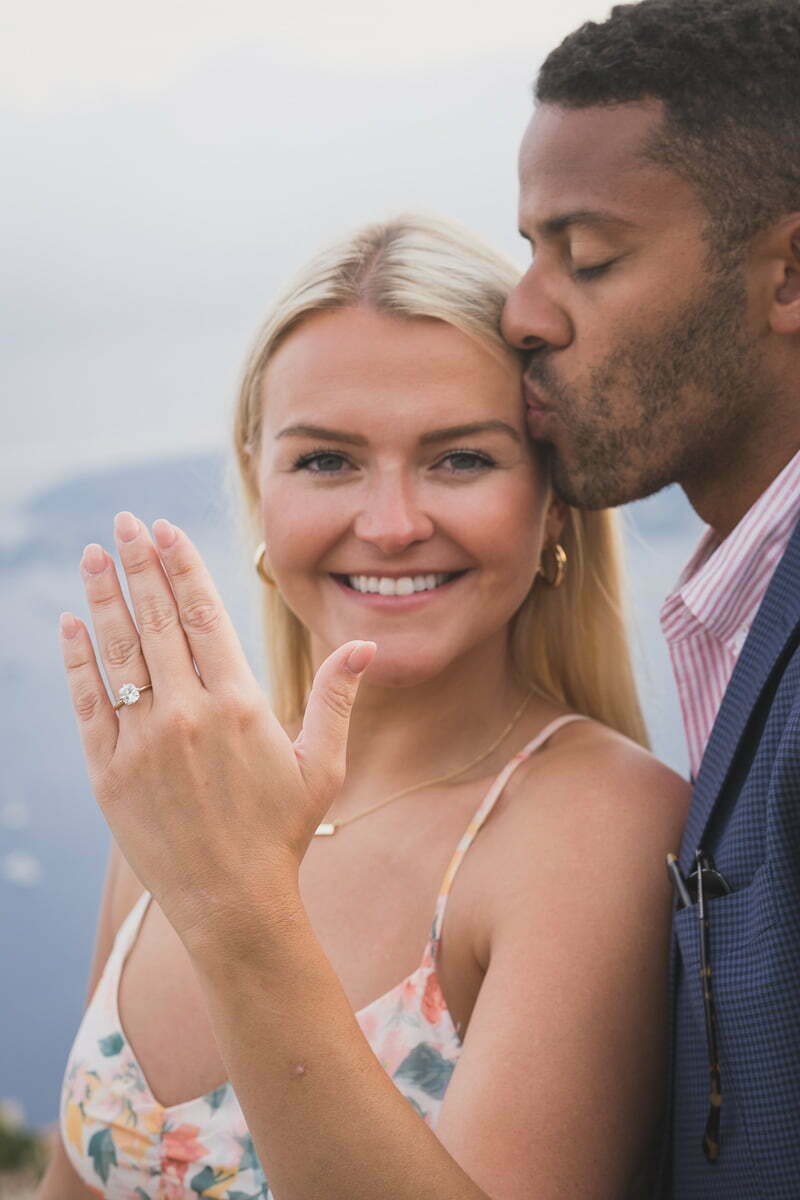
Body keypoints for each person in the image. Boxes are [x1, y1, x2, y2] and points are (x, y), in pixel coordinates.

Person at [42, 214, 687, 1200]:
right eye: (326, 461)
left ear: (552, 501)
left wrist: (236, 905)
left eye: (460, 459)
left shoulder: (597, 826)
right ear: (259, 485)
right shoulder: (198, 787)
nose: (389, 525)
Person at [500, 1, 800, 1195]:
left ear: (786, 278)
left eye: (586, 256)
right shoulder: (751, 599)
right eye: (526, 249)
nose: (523, 310)